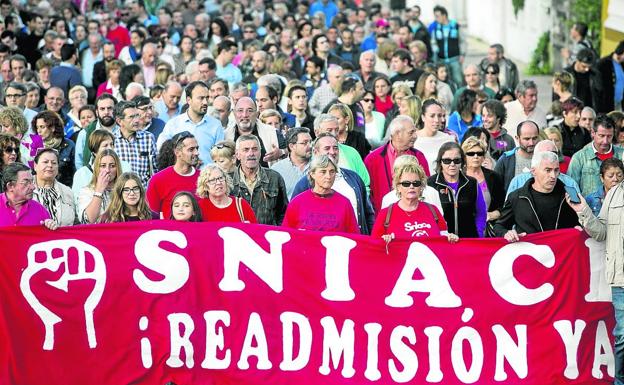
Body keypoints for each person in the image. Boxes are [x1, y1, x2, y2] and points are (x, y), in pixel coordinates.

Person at [567, 167, 624, 385]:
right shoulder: (614, 196)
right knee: (622, 336)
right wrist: (583, 210)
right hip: (620, 278)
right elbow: (600, 232)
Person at [291, 133, 374, 234]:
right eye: (327, 148)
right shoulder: (304, 184)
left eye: (335, 148)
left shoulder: (354, 178)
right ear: (315, 152)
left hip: (354, 242)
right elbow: (292, 222)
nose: (332, 152)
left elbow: (368, 213)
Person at [494, 151, 579, 241]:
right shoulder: (517, 197)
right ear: (533, 171)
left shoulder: (570, 193)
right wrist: (506, 233)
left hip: (562, 251)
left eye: (556, 170)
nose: (553, 176)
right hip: (531, 252)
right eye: (548, 170)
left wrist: (579, 227)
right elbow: (499, 226)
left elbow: (582, 222)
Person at [372, 159, 457, 242]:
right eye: (406, 183)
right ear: (398, 187)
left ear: (421, 186)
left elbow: (444, 238)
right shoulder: (385, 214)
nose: (411, 186)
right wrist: (384, 240)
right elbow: (374, 246)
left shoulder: (433, 210)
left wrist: (450, 237)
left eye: (416, 183)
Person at [365, 115, 430, 212]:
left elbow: (426, 187)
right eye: (411, 132)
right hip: (384, 216)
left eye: (415, 132)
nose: (415, 136)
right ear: (398, 134)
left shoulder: (419, 157)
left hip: (414, 215)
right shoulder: (373, 159)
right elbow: (368, 193)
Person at [283, 154, 358, 233]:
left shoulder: (344, 203)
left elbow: (354, 236)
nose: (328, 176)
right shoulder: (297, 202)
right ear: (312, 174)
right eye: (323, 172)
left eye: (332, 171)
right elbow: (286, 235)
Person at [158, 81, 224, 167]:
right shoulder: (173, 124)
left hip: (207, 177)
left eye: (207, 98)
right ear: (189, 100)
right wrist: (185, 160)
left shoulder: (216, 125)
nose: (205, 102)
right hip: (181, 177)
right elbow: (163, 152)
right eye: (201, 98)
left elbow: (221, 156)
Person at [428, 142, 487, 237]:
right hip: (442, 241)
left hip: (469, 241)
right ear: (440, 162)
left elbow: (481, 212)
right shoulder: (431, 183)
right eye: (447, 161)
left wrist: (478, 234)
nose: (452, 164)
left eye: (457, 160)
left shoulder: (472, 183)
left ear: (462, 162)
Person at [230, 134, 288, 225]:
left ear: (260, 153)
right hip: (240, 236)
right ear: (237, 155)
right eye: (246, 150)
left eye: (255, 149)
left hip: (268, 236)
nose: (251, 153)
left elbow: (283, 214)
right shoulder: (228, 181)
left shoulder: (274, 177)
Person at [147, 131, 201, 219]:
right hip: (170, 231)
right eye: (191, 149)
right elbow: (151, 215)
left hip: (198, 230)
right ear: (177, 152)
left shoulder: (203, 178)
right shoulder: (158, 179)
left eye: (197, 148)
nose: (196, 153)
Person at [568, 115, 624, 197]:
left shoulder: (622, 155)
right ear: (593, 133)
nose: (605, 141)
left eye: (609, 136)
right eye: (601, 136)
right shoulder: (579, 157)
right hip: (589, 208)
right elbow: (571, 189)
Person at [72, 129, 132, 199]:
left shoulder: (125, 166)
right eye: (105, 145)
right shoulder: (82, 174)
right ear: (95, 151)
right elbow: (76, 201)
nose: (110, 148)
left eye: (111, 144)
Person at [462, 136, 504, 234]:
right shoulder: (458, 177)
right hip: (464, 229)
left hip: (488, 229)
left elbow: (502, 206)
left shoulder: (494, 177)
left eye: (479, 153)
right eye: (471, 154)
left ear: (484, 157)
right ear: (464, 157)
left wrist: (491, 215)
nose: (475, 156)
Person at [112, 101, 157, 187]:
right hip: (119, 192)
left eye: (137, 115)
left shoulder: (148, 138)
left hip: (143, 192)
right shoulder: (112, 141)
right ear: (119, 121)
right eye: (131, 117)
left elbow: (155, 169)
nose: (136, 120)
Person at [0, 162, 58, 229]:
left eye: (32, 182)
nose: (33, 187)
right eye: (26, 182)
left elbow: (48, 238)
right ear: (10, 186)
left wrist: (51, 226)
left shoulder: (40, 210)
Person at [32, 148, 76, 226]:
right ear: (35, 166)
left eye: (54, 163)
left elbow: (75, 222)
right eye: (45, 162)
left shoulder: (67, 192)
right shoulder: (24, 189)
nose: (50, 165)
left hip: (62, 237)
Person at [77, 148, 121, 224]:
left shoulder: (124, 190)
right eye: (103, 166)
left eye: (112, 166)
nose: (107, 170)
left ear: (117, 168)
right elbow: (88, 221)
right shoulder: (86, 191)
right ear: (97, 168)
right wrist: (99, 190)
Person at [32, 110, 75, 187]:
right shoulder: (35, 145)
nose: (39, 131)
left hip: (64, 190)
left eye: (42, 127)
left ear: (53, 128)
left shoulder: (69, 145)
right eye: (37, 127)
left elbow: (75, 171)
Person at [495, 120, 541, 191]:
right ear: (517, 138)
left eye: (534, 138)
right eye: (527, 139)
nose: (531, 143)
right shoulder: (506, 160)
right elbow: (496, 189)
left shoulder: (545, 157)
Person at [428, 5, 465, 88]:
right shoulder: (436, 27)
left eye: (437, 16)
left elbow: (462, 41)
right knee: (444, 80)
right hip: (442, 60)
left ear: (444, 15)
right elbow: (433, 41)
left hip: (454, 59)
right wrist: (436, 52)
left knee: (458, 79)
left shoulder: (455, 26)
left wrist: (462, 54)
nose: (436, 18)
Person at [271, 127, 312, 200]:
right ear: (292, 146)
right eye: (305, 143)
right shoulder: (276, 170)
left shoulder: (319, 165)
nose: (310, 146)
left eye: (310, 142)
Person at [414, 99, 455, 172]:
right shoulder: (414, 139)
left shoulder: (448, 139)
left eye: (439, 116)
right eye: (432, 116)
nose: (436, 120)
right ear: (423, 117)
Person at [596, 40, 624, 113]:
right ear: (621, 52)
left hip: (620, 104)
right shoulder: (603, 64)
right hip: (607, 105)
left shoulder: (622, 65)